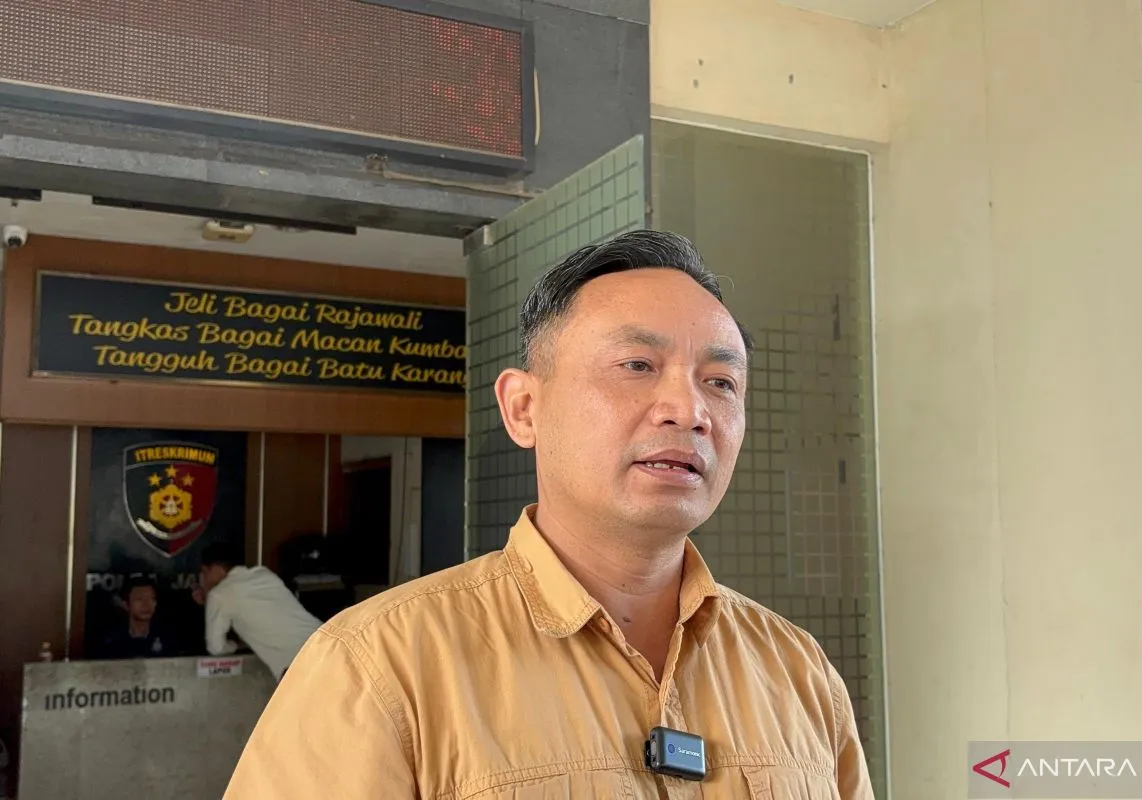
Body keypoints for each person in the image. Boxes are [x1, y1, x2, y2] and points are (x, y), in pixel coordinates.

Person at [224, 230, 874, 798]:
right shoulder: (378, 667)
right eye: (637, 365)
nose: (689, 410)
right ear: (524, 408)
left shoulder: (799, 672)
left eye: (720, 382)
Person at [192, 541, 321, 682]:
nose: (204, 578)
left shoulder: (218, 595)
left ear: (217, 568)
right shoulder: (263, 574)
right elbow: (255, 609)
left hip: (303, 665)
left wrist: (236, 645)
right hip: (327, 642)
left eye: (205, 572)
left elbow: (216, 648)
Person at [99, 575, 178, 659]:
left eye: (152, 599)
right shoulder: (112, 643)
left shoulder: (167, 640)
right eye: (140, 599)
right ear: (126, 605)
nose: (147, 605)